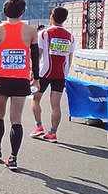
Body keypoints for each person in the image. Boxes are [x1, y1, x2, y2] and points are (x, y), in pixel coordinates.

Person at [0, 0, 40, 170]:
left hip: (1, 77)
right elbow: (34, 57)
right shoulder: (31, 31)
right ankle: (13, 158)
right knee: (16, 119)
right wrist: (36, 78)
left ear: (5, 10)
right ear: (23, 11)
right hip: (21, 78)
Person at [30, 7, 75, 142]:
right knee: (56, 104)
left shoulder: (44, 33)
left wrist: (33, 72)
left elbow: (37, 54)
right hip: (61, 74)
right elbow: (70, 57)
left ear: (52, 17)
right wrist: (66, 73)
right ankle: (53, 133)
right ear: (65, 19)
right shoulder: (70, 36)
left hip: (44, 72)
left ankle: (39, 127)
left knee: (36, 99)